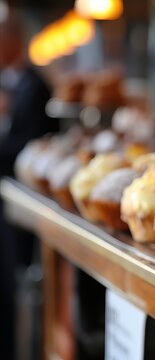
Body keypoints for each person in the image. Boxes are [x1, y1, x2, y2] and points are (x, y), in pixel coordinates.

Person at [0, 8, 58, 360]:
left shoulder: (35, 87)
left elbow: (33, 143)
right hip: (9, 197)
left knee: (18, 277)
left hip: (25, 198)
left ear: (14, 42)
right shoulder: (7, 84)